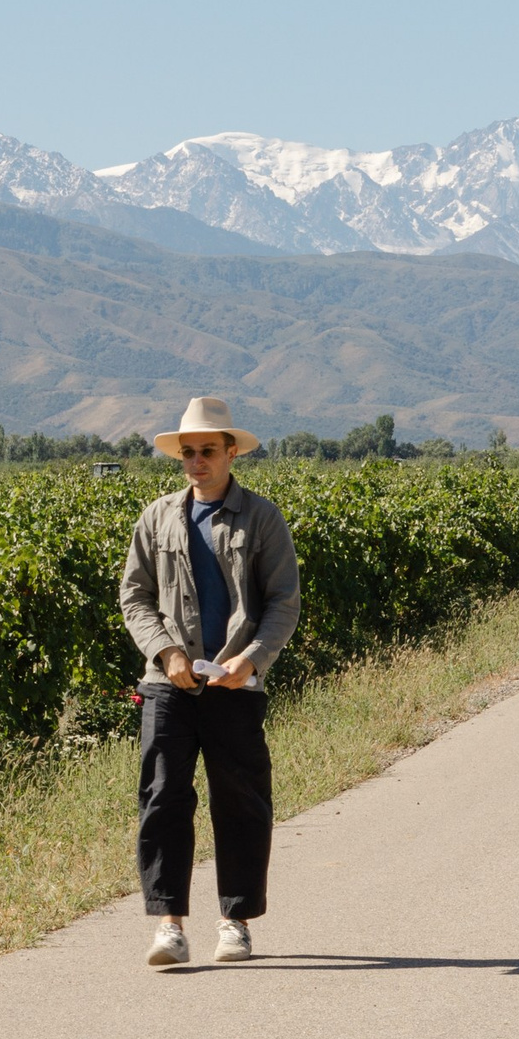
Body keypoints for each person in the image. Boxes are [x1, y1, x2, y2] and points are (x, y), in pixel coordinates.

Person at [120, 397, 301, 968]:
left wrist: (252, 660)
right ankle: (169, 926)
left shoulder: (263, 518)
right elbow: (135, 597)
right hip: (168, 685)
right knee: (163, 799)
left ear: (230, 454)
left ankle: (235, 923)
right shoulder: (156, 518)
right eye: (188, 453)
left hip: (234, 685)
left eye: (207, 452)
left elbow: (282, 603)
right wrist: (165, 651)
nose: (197, 462)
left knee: (241, 801)